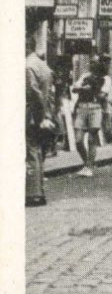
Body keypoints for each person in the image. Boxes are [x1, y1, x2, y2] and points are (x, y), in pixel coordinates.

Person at [26, 30, 54, 207]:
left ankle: (33, 194)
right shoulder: (43, 65)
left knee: (32, 151)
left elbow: (33, 94)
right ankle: (38, 191)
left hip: (31, 115)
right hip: (43, 113)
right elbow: (48, 93)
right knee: (38, 152)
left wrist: (40, 116)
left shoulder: (28, 66)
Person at [72, 58, 106, 178]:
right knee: (78, 140)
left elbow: (103, 95)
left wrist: (92, 89)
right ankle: (86, 162)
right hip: (81, 108)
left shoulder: (105, 79)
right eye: (92, 62)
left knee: (92, 139)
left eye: (96, 62)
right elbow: (75, 88)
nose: (93, 64)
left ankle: (89, 167)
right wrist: (84, 88)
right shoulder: (85, 76)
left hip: (95, 108)